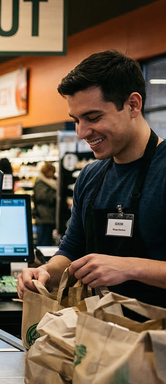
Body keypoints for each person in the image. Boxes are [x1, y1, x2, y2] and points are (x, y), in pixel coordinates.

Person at [17, 50, 166, 309]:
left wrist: (130, 267)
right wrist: (47, 272)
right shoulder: (90, 176)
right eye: (76, 120)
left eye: (94, 118)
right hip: (98, 335)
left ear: (133, 105)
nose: (82, 132)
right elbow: (72, 248)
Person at [33, 162, 57, 246]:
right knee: (43, 241)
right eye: (53, 172)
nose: (53, 174)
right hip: (43, 216)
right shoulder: (41, 182)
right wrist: (56, 196)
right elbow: (42, 197)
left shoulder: (49, 182)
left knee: (47, 239)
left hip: (47, 215)